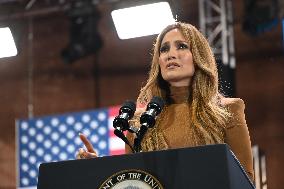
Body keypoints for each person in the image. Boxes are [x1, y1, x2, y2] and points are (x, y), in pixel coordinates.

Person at [77, 22, 254, 181]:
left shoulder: (228, 110)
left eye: (182, 46)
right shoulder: (140, 123)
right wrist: (96, 168)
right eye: (164, 49)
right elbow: (134, 181)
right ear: (158, 62)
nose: (171, 54)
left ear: (199, 56)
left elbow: (245, 179)